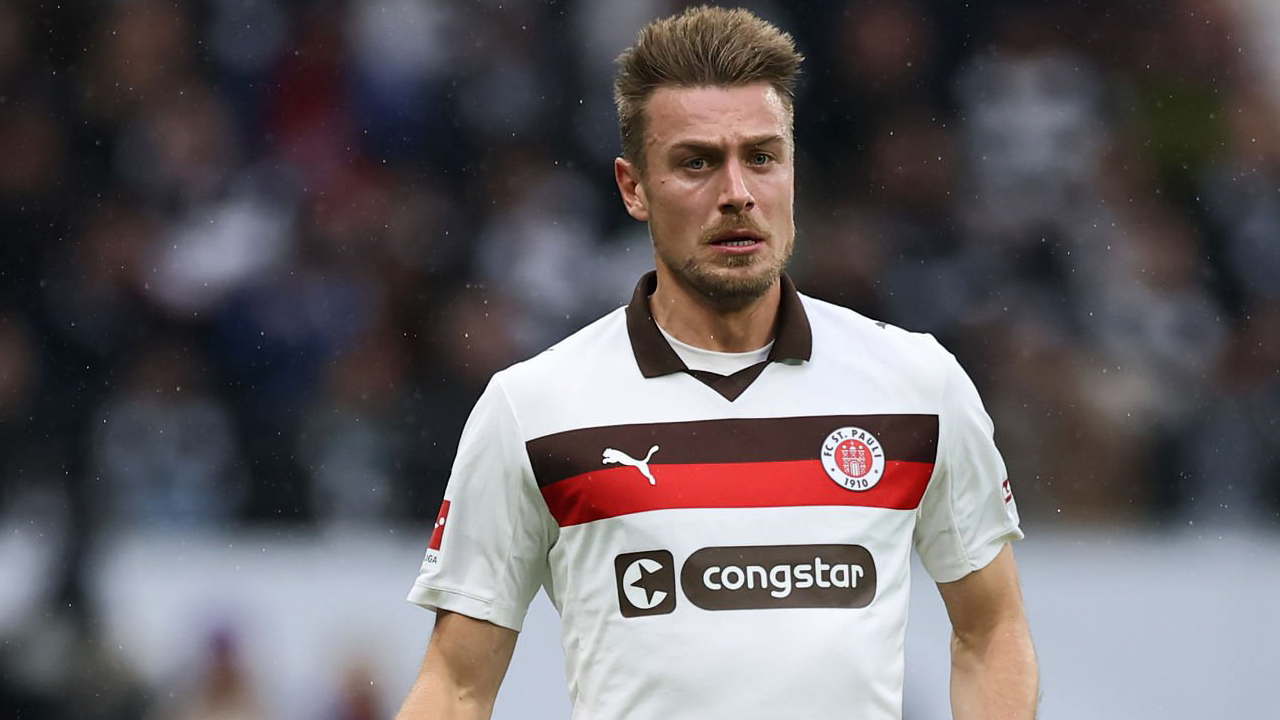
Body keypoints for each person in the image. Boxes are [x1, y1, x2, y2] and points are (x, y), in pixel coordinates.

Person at [394, 7, 1038, 720]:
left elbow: (991, 629)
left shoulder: (917, 385)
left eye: (761, 157)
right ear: (633, 187)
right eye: (697, 162)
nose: (737, 193)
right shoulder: (534, 407)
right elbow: (456, 685)